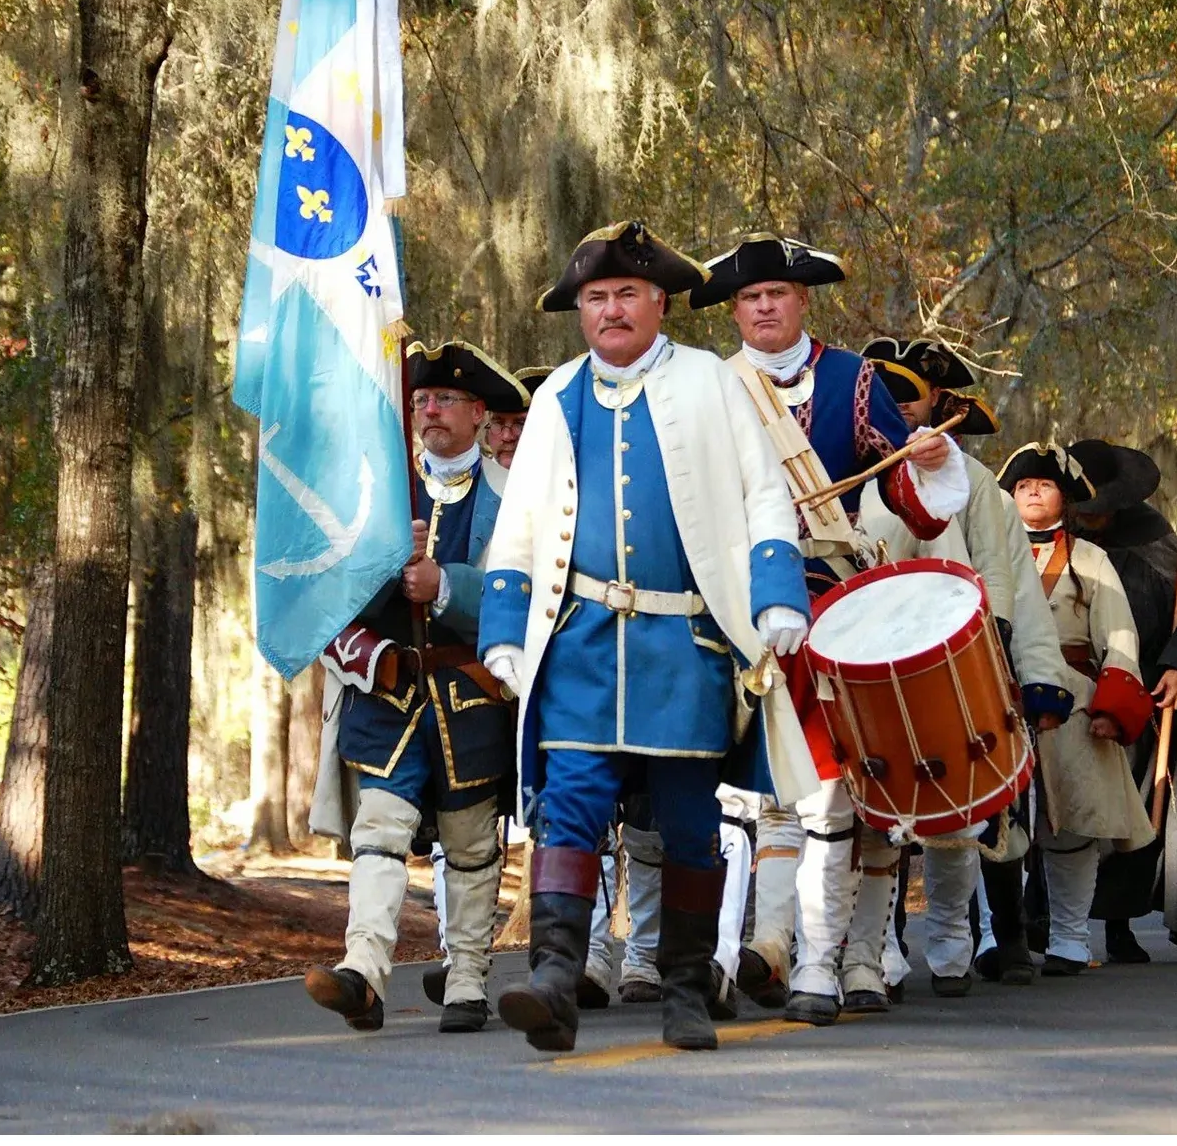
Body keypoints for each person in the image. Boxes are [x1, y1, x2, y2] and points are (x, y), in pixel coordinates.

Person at [478, 221, 818, 1053]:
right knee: (570, 808)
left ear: (660, 302)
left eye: (628, 294)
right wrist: (505, 630)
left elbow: (764, 494)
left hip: (685, 646)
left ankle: (685, 989)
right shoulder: (556, 394)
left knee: (689, 822)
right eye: (596, 298)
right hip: (582, 643)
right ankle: (554, 979)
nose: (611, 311)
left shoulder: (712, 381)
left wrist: (777, 594)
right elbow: (517, 527)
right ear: (580, 313)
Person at [685, 236, 973, 1025]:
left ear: (803, 300)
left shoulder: (857, 380)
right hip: (735, 606)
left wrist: (934, 459)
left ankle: (829, 959)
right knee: (761, 797)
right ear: (735, 310)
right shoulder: (709, 387)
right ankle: (763, 949)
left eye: (777, 293)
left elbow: (916, 506)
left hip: (835, 607)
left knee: (839, 793)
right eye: (749, 299)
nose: (764, 307)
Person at [303, 339, 525, 1035]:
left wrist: (446, 587)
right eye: (422, 400)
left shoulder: (514, 496)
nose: (430, 410)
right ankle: (363, 971)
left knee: (467, 844)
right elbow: (331, 588)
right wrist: (383, 576)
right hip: (389, 689)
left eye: (446, 400)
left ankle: (466, 980)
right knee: (380, 830)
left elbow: (527, 598)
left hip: (470, 694)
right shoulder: (378, 488)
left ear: (480, 414)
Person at [859, 336, 1070, 996]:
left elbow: (1011, 581)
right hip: (878, 660)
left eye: (912, 397)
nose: (901, 410)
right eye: (886, 398)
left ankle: (976, 941)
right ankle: (884, 949)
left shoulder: (981, 488)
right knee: (881, 804)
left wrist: (1027, 666)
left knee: (977, 809)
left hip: (968, 659)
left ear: (941, 405)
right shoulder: (851, 473)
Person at [1068, 437, 1177, 964]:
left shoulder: (1153, 535)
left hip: (1141, 701)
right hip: (1070, 692)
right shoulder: (1048, 536)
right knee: (1061, 812)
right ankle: (1041, 926)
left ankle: (1119, 924)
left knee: (1132, 810)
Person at [999, 443, 1155, 975]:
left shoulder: (1091, 560)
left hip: (1072, 704)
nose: (1032, 492)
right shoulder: (988, 556)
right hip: (996, 698)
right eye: (1022, 486)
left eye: (1043, 484)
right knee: (992, 824)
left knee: (1072, 826)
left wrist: (1113, 708)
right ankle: (992, 941)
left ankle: (1069, 940)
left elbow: (1120, 637)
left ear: (1064, 499)